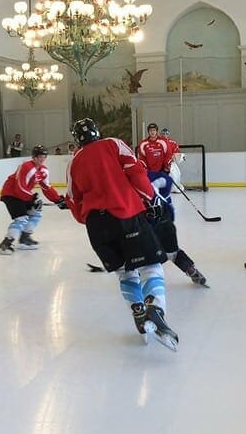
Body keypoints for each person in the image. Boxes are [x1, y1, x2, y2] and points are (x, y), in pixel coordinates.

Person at [65, 118, 179, 351]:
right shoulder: (113, 144)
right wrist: (151, 198)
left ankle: (139, 312)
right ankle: (155, 309)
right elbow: (137, 173)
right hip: (127, 214)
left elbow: (73, 202)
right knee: (151, 266)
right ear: (98, 130)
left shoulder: (73, 162)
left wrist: (92, 217)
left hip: (97, 227)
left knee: (125, 273)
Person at [0, 145, 65, 255]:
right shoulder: (26, 167)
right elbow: (20, 187)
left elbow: (47, 187)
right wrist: (31, 198)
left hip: (22, 195)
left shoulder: (43, 171)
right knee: (21, 219)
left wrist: (58, 200)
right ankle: (5, 244)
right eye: (39, 157)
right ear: (34, 157)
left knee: (36, 212)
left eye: (44, 156)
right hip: (11, 194)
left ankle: (24, 238)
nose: (42, 159)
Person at [160, 127, 185, 192]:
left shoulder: (173, 143)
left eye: (166, 133)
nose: (165, 134)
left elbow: (176, 153)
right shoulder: (158, 142)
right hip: (160, 163)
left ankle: (174, 187)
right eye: (163, 133)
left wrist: (180, 156)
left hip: (171, 163)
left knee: (176, 174)